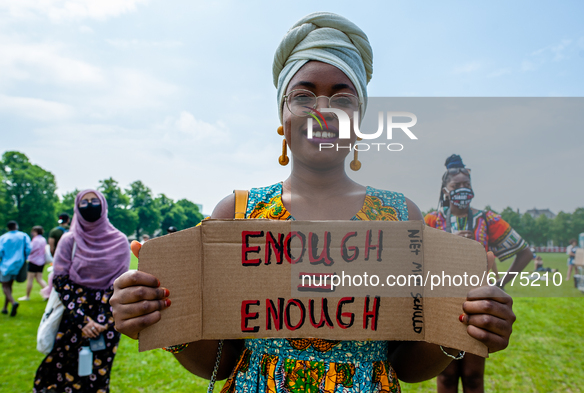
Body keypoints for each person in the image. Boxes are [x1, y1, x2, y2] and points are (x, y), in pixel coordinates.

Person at [109, 13, 516, 393]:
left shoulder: (399, 218)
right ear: (283, 117)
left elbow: (405, 366)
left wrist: (465, 331)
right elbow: (222, 360)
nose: (322, 111)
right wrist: (162, 319)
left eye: (342, 99)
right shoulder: (236, 215)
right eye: (303, 97)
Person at [425, 154, 533, 393]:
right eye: (457, 186)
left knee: (474, 376)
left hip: (478, 305)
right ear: (445, 190)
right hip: (442, 306)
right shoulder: (432, 221)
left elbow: (525, 252)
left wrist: (501, 285)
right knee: (446, 375)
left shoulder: (486, 219)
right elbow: (416, 260)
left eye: (467, 186)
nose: (462, 190)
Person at [33, 190, 130, 393]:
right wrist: (83, 321)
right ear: (77, 208)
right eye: (84, 202)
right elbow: (60, 281)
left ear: (103, 206)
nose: (89, 205)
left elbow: (119, 287)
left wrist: (102, 322)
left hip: (106, 323)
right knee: (61, 374)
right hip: (72, 317)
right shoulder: (70, 241)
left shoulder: (120, 241)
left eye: (94, 201)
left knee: (97, 377)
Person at [0, 221, 31, 316]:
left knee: (5, 286)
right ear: (16, 226)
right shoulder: (23, 236)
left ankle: (13, 302)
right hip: (19, 263)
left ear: (8, 228)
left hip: (6, 265)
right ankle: (5, 308)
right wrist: (24, 257)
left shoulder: (3, 237)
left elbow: (0, 251)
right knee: (9, 285)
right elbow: (29, 248)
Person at [18, 226, 48, 301]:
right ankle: (48, 294)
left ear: (35, 231)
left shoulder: (35, 240)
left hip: (34, 261)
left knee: (30, 279)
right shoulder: (43, 239)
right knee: (39, 279)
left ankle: (27, 296)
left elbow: (30, 250)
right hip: (41, 261)